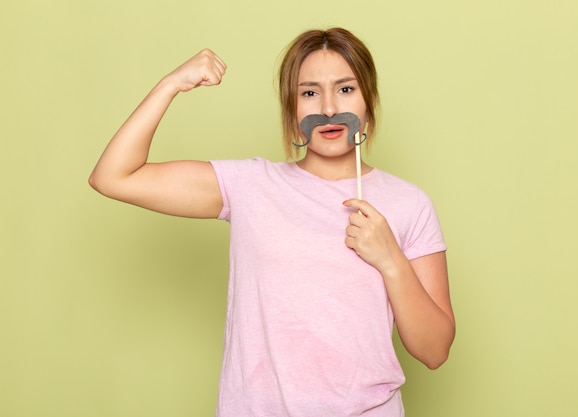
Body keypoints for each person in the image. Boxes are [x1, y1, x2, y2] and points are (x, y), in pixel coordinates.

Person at [89, 27, 455, 417]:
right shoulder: (250, 186)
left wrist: (391, 260)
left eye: (346, 89)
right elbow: (113, 176)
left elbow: (434, 351)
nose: (329, 109)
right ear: (291, 106)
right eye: (310, 92)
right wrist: (171, 84)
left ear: (369, 99)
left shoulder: (408, 204)